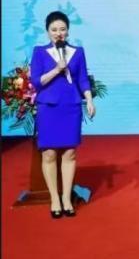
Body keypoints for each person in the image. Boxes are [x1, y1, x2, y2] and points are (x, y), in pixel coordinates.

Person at [30, 11, 96, 218]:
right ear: (48, 32)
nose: (58, 33)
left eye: (62, 29)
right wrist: (57, 69)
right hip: (48, 107)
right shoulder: (40, 52)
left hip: (70, 106)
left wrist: (89, 99)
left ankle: (67, 198)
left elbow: (83, 79)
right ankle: (55, 199)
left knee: (70, 153)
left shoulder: (77, 52)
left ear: (68, 31)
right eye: (54, 30)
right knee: (49, 153)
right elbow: (36, 81)